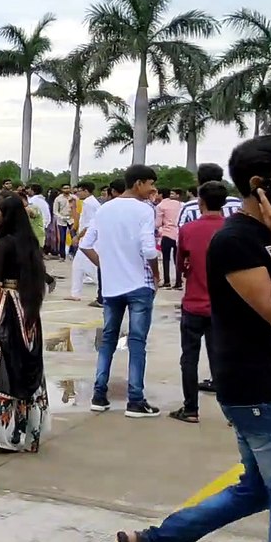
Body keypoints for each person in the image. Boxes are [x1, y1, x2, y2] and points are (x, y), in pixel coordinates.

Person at [115, 134, 271, 542]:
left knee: (256, 491)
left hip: (270, 384)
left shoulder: (264, 235)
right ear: (260, 184)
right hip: (262, 392)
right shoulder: (237, 241)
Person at [80, 164, 161, 417]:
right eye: (150, 184)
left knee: (108, 341)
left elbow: (85, 244)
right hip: (139, 285)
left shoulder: (105, 209)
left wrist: (105, 264)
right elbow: (148, 249)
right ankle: (135, 399)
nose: (152, 190)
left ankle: (99, 394)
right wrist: (156, 274)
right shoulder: (145, 209)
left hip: (112, 287)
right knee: (137, 343)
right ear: (138, 184)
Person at [0, 195, 49, 452]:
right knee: (25, 364)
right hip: (28, 314)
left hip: (8, 311)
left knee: (3, 367)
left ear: (6, 215)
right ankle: (23, 430)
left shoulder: (3, 245)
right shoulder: (30, 243)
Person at [169, 181, 228, 424]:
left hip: (194, 303)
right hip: (223, 307)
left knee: (189, 358)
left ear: (200, 202)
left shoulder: (189, 229)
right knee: (222, 359)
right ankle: (231, 411)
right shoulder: (231, 229)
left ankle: (190, 408)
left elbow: (180, 263)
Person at [177, 162, 243, 226]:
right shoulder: (236, 203)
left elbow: (181, 232)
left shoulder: (189, 207)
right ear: (220, 180)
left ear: (199, 182)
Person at [156, 188, 183, 288]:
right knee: (177, 259)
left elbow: (158, 223)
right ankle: (178, 281)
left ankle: (167, 281)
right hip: (178, 234)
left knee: (166, 259)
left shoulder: (160, 206)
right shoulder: (180, 204)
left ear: (161, 194)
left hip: (167, 233)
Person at [53, 183, 76, 260]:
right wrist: (61, 217)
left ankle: (72, 253)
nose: (66, 190)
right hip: (62, 220)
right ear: (62, 189)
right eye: (65, 188)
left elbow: (77, 208)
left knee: (74, 236)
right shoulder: (58, 199)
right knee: (62, 239)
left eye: (68, 188)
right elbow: (55, 211)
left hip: (72, 219)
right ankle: (62, 256)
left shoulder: (74, 197)